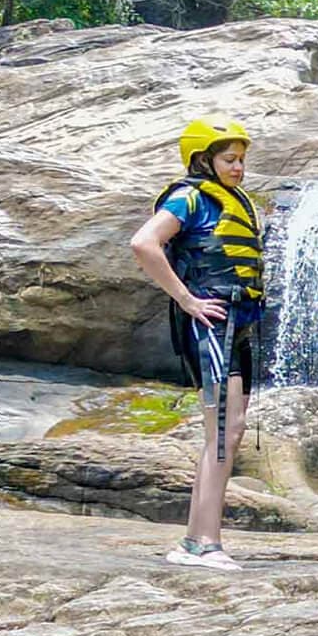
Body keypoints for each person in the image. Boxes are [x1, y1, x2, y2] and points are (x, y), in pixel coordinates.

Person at [130, 117, 265, 571]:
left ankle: (197, 540)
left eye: (241, 160)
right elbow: (144, 243)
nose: (238, 168)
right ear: (203, 160)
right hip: (211, 327)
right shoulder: (188, 197)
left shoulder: (235, 201)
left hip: (238, 326)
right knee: (224, 431)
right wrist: (187, 300)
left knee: (231, 429)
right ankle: (203, 543)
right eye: (229, 160)